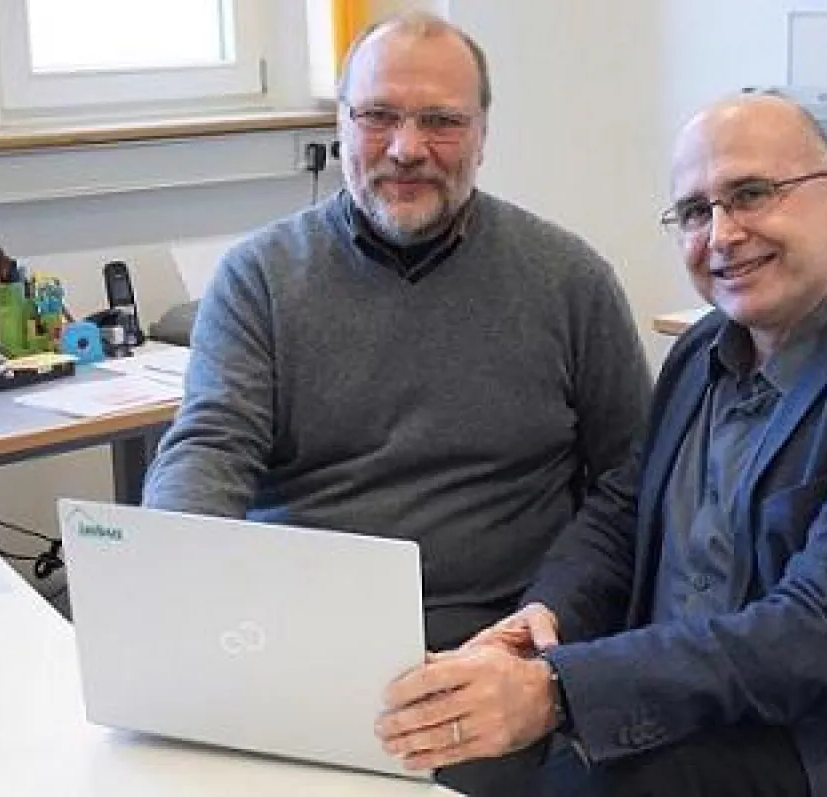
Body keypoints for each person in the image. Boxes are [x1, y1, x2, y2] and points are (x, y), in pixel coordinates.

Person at [373, 91, 827, 797]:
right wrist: (548, 616)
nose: (723, 234)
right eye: (694, 212)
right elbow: (622, 513)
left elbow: (819, 633)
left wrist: (558, 690)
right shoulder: (704, 348)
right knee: (457, 757)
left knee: (578, 781)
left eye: (752, 194)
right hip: (708, 710)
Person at [142, 11, 651, 796]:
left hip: (490, 649)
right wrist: (174, 578)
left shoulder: (570, 281)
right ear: (342, 125)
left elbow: (632, 484)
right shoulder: (260, 278)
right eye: (378, 115)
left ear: (483, 135)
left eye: (441, 121)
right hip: (298, 642)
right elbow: (208, 447)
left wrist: (550, 625)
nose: (406, 147)